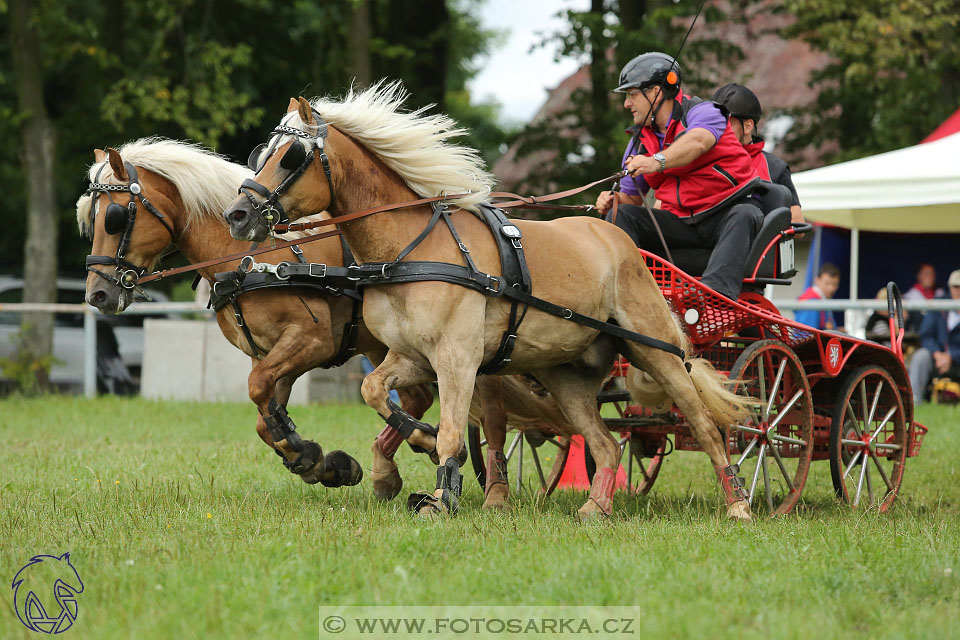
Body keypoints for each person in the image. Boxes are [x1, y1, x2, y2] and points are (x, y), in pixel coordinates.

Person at [595, 52, 763, 301]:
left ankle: (714, 300)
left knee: (745, 213)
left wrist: (656, 161)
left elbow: (697, 142)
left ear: (655, 92)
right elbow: (632, 201)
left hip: (726, 215)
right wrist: (612, 200)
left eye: (631, 95)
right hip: (682, 224)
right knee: (622, 215)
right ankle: (628, 296)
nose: (626, 104)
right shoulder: (639, 142)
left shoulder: (705, 112)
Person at [710, 83, 804, 227]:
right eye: (714, 123)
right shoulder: (703, 161)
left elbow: (797, 223)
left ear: (747, 126)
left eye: (725, 123)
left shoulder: (775, 167)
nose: (718, 129)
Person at [908, 269, 960, 403]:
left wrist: (952, 356)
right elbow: (925, 334)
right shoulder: (938, 304)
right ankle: (914, 402)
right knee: (921, 356)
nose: (958, 290)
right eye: (955, 286)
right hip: (937, 358)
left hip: (956, 359)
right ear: (950, 287)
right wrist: (938, 354)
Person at [794, 263, 842, 331]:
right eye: (827, 283)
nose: (831, 288)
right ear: (817, 280)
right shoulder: (811, 303)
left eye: (835, 284)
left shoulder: (821, 300)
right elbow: (808, 336)